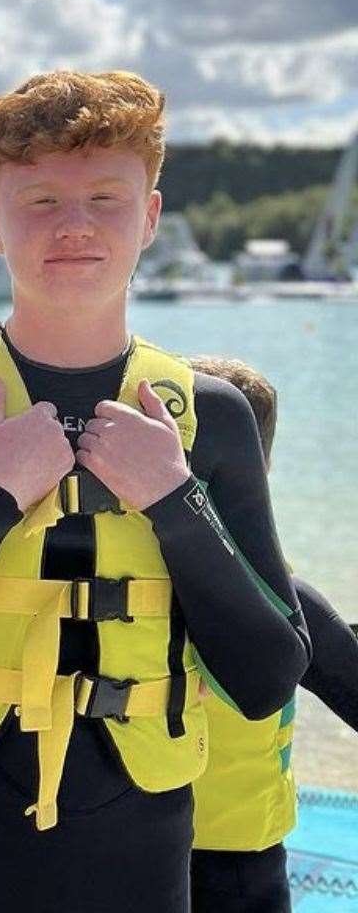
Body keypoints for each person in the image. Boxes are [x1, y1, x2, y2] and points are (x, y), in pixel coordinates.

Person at [0, 70, 310, 913]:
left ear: (150, 217)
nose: (75, 226)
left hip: (142, 860)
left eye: (106, 198)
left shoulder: (209, 420)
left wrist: (173, 500)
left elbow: (267, 676)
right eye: (40, 201)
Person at [187, 355, 358, 913]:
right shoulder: (285, 596)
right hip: (239, 851)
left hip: (126, 839)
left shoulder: (110, 575)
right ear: (264, 464)